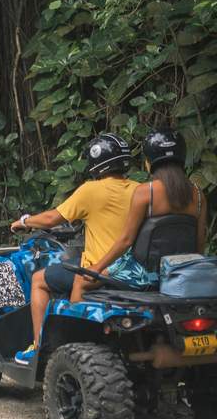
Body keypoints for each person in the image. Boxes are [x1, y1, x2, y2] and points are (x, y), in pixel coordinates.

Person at [10, 133, 139, 365]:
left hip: (99, 272)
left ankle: (38, 348)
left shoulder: (92, 190)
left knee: (39, 279)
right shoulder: (140, 190)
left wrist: (24, 221)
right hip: (129, 271)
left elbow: (51, 219)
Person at [71, 128, 207, 300]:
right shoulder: (199, 194)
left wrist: (97, 267)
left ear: (149, 163)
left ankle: (79, 326)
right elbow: (199, 243)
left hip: (143, 274)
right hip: (181, 271)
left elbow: (126, 240)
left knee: (80, 282)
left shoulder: (146, 192)